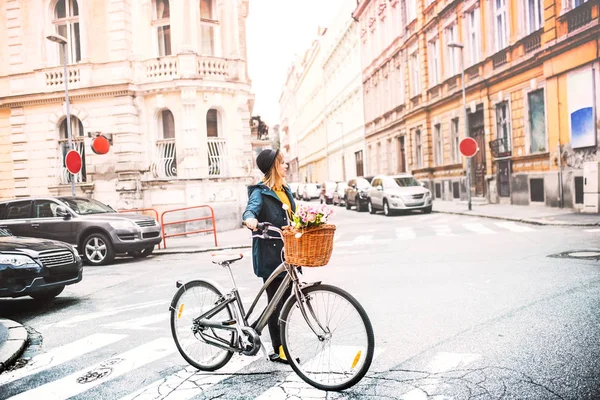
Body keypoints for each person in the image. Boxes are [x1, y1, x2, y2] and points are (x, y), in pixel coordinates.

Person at [243, 148, 295, 364]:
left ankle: (262, 331)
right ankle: (279, 349)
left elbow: (292, 215)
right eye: (282, 163)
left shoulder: (286, 189)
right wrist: (250, 220)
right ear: (274, 166)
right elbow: (250, 211)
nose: (286, 166)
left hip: (289, 254)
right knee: (276, 304)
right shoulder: (260, 192)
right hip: (270, 255)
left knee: (285, 301)